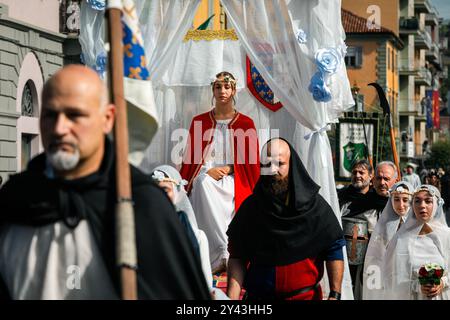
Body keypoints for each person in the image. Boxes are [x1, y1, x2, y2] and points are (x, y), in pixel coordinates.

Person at [0, 65, 210, 299]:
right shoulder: (15, 200)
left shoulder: (140, 204)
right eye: (50, 115)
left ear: (108, 118)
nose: (60, 128)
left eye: (75, 115)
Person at [226, 138, 345, 300]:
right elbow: (237, 256)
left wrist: (335, 294)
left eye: (279, 163)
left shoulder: (315, 206)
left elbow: (334, 247)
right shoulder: (252, 208)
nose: (273, 170)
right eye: (267, 165)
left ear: (292, 165)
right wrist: (230, 301)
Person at [180, 71, 260, 274]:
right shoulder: (200, 122)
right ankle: (218, 252)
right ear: (212, 91)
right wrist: (208, 170)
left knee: (214, 186)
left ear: (233, 90)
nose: (222, 91)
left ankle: (227, 252)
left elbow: (251, 164)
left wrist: (230, 168)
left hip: (235, 179)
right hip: (207, 176)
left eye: (226, 87)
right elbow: (191, 160)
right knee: (202, 184)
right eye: (217, 87)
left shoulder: (245, 123)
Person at [383, 185, 450, 300]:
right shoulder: (403, 238)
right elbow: (394, 278)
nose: (422, 206)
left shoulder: (446, 235)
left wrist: (442, 282)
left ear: (436, 204)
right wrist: (418, 287)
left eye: (428, 201)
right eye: (417, 201)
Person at [362, 181, 413, 300]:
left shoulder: (417, 226)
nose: (401, 205)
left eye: (405, 200)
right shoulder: (383, 226)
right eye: (396, 199)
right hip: (389, 282)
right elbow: (375, 258)